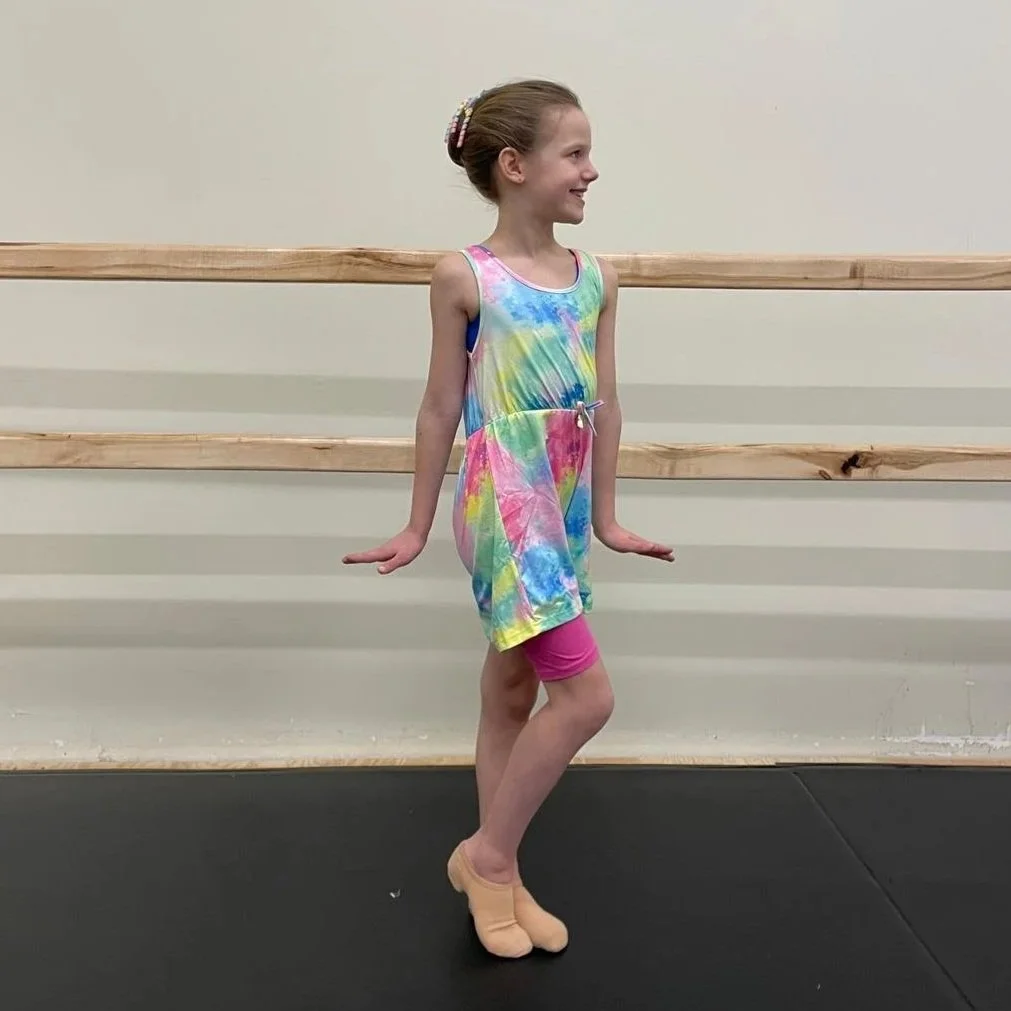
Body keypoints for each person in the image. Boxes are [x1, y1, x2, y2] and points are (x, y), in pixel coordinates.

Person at [343, 79, 674, 958]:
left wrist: (606, 518)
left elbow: (605, 405)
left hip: (559, 506)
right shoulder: (466, 276)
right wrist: (415, 524)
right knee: (587, 697)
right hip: (505, 504)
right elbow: (438, 408)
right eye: (575, 153)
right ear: (514, 165)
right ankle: (485, 858)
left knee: (512, 693)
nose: (591, 171)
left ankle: (504, 875)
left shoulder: (596, 278)